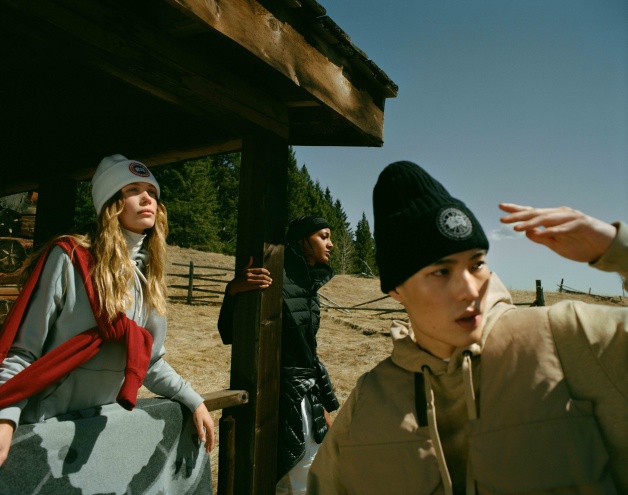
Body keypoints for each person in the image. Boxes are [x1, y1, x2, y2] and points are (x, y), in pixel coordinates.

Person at [307, 161, 628, 495]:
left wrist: (617, 249)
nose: (470, 290)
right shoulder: (369, 402)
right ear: (396, 290)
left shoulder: (568, 338)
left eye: (476, 264)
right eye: (441, 272)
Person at [0, 154, 215, 467]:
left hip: (98, 433)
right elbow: (23, 351)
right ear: (111, 203)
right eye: (132, 190)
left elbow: (150, 361)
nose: (147, 198)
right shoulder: (69, 258)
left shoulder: (149, 277)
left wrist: (193, 400)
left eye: (152, 192)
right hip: (44, 428)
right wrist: (5, 417)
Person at [218, 215, 340, 494]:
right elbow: (231, 334)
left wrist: (322, 405)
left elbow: (307, 352)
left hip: (306, 395)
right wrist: (233, 292)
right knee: (297, 476)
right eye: (323, 236)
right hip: (279, 395)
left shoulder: (309, 285)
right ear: (302, 241)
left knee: (307, 475)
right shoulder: (275, 276)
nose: (330, 244)